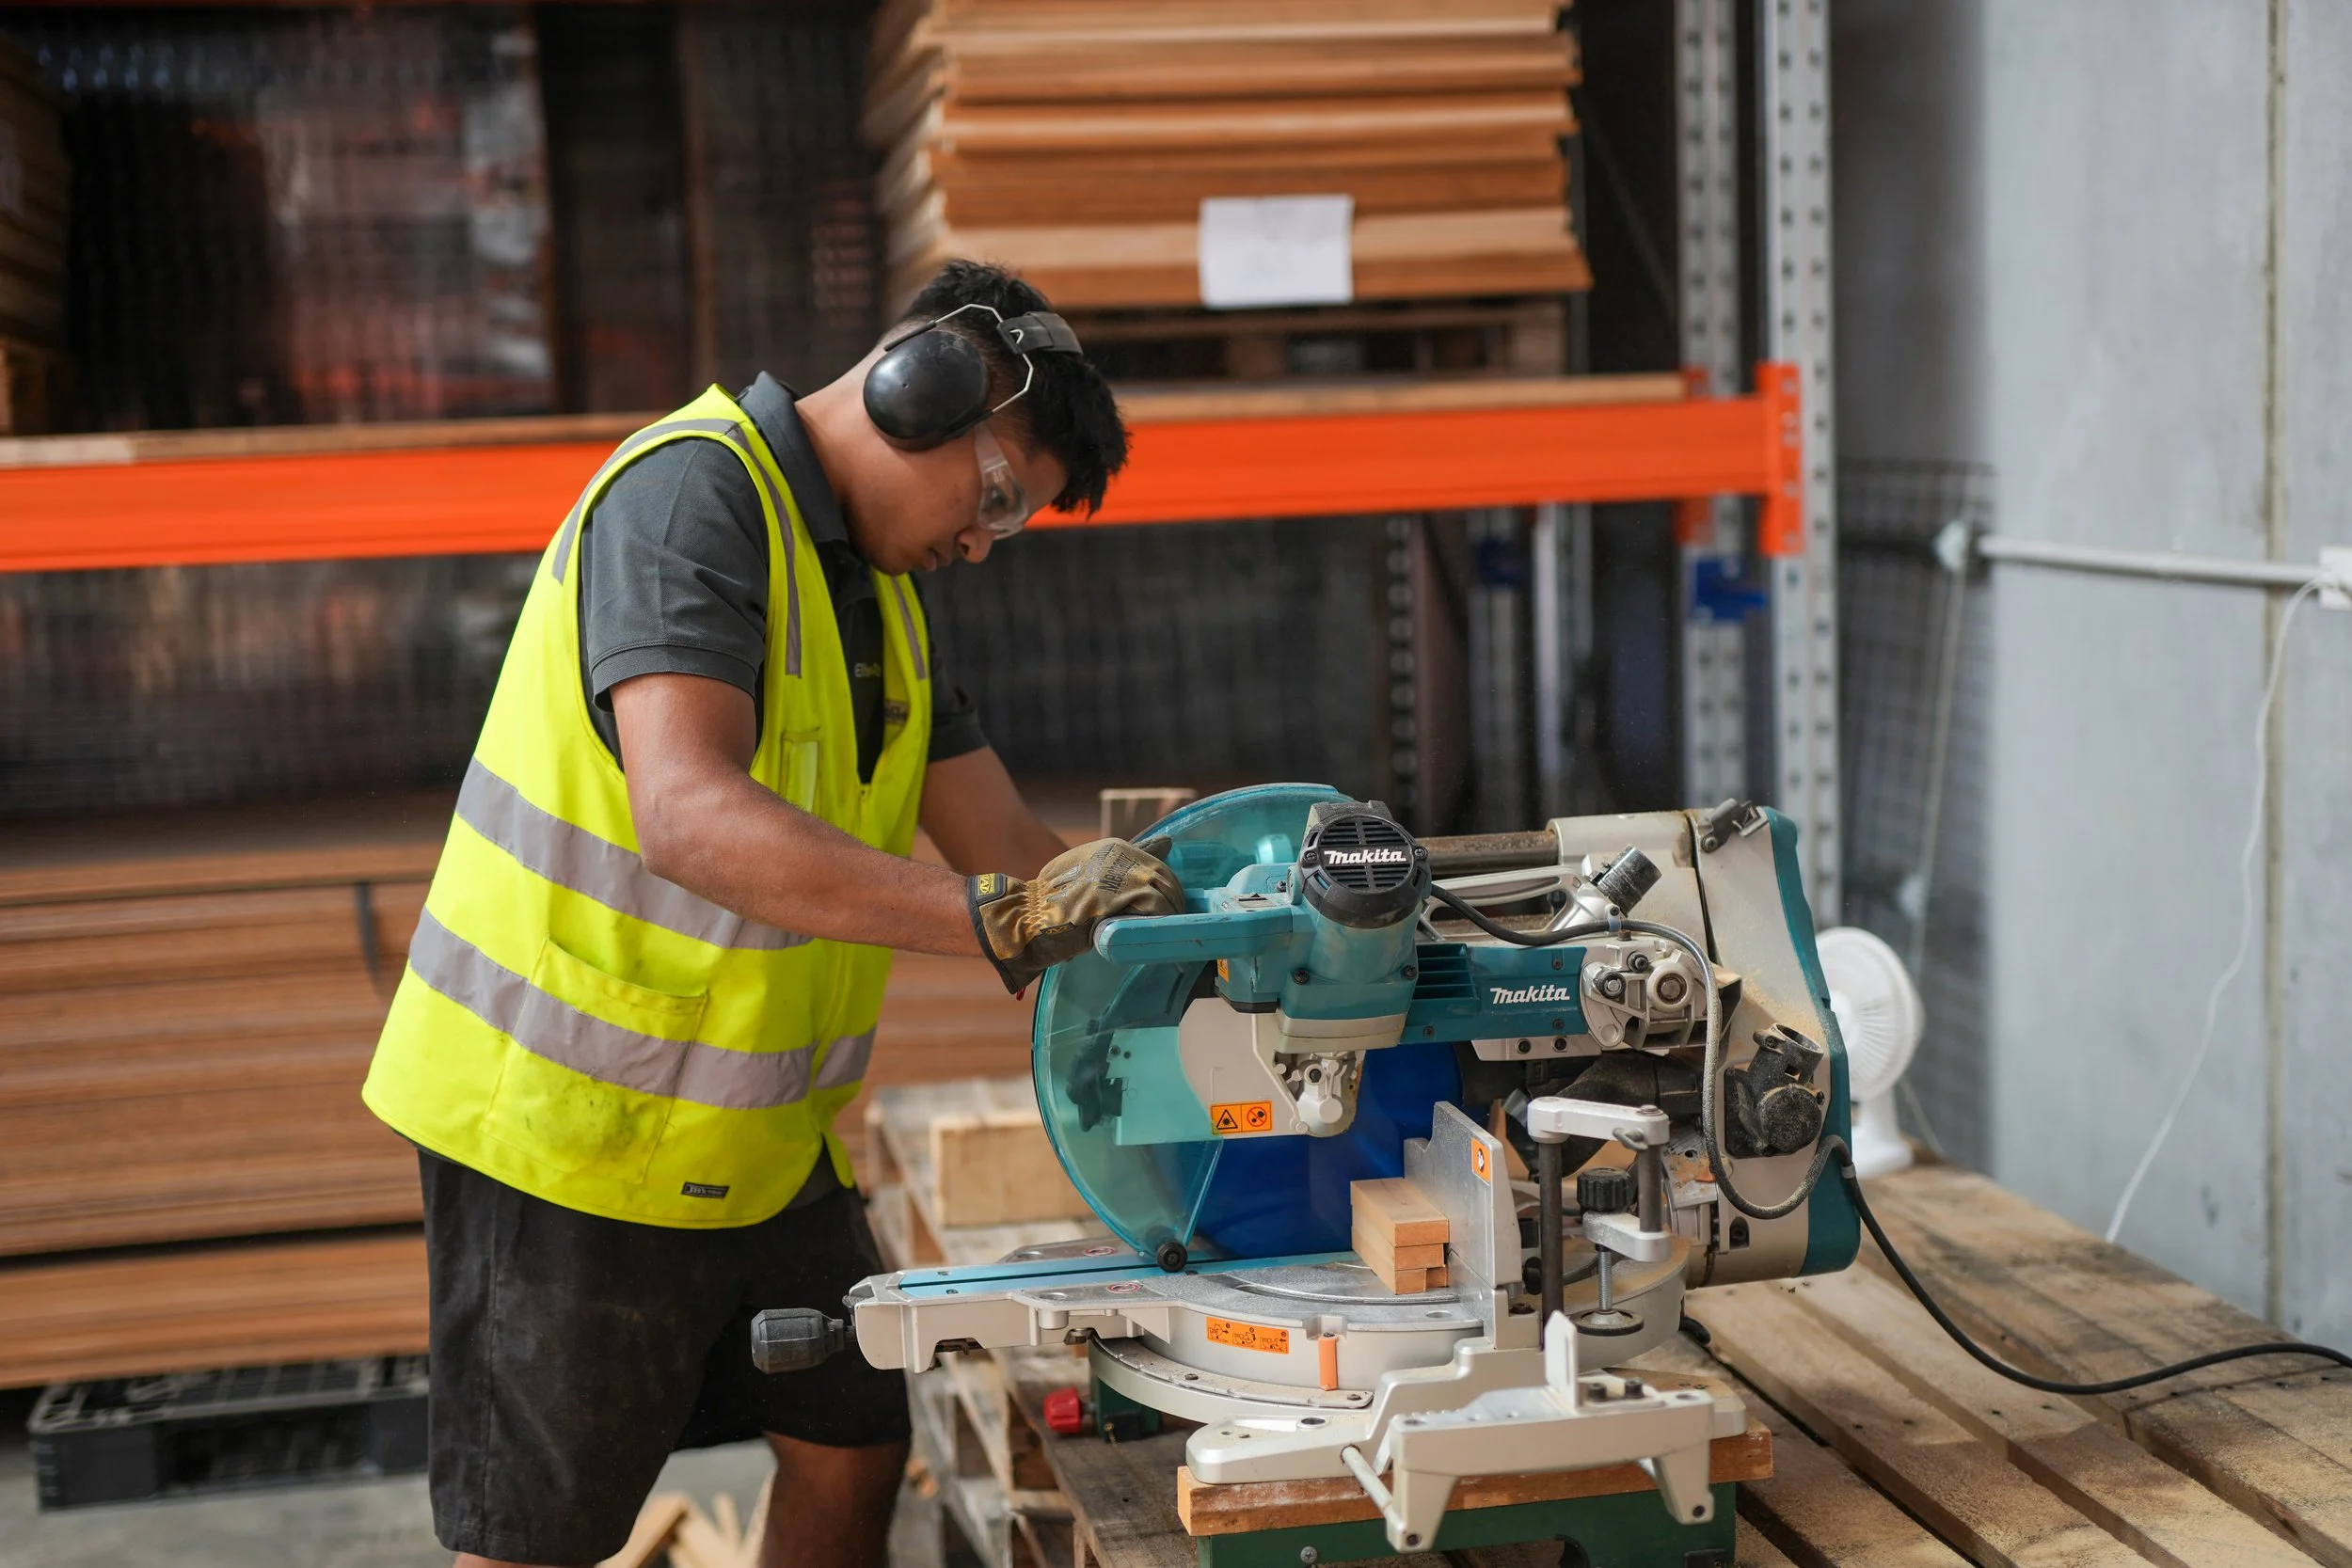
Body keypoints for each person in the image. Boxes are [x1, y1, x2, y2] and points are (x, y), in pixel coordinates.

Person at [361, 259, 1184, 1568]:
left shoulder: (887, 600)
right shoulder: (693, 497)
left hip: (752, 1137)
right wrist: (1003, 915)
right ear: (922, 391)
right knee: (540, 1535)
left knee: (853, 1437)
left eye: (1008, 525)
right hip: (570, 1127)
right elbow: (688, 814)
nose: (982, 540)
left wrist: (1201, 939)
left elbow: (1022, 858)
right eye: (993, 496)